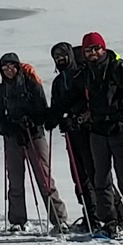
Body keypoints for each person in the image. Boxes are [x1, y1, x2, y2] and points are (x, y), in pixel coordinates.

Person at [0, 52, 70, 232]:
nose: (8, 70)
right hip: (13, 138)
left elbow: (42, 109)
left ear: (18, 67)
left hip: (35, 135)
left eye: (12, 66)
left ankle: (59, 219)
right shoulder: (0, 90)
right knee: (15, 179)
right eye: (5, 67)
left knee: (44, 179)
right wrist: (11, 129)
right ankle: (17, 221)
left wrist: (32, 121)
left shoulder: (31, 85)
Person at [69, 30, 123, 236]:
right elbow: (73, 97)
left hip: (120, 129)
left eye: (96, 48)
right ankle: (110, 221)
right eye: (88, 49)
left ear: (103, 48)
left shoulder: (118, 68)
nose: (93, 52)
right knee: (101, 179)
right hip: (97, 130)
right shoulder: (85, 72)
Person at [46, 41, 94, 231]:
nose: (60, 59)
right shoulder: (59, 82)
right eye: (56, 57)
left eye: (62, 55)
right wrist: (51, 119)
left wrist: (78, 119)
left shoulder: (83, 75)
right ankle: (89, 214)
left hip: (89, 130)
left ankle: (109, 214)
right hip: (71, 133)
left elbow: (90, 102)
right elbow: (57, 106)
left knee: (95, 173)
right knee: (79, 175)